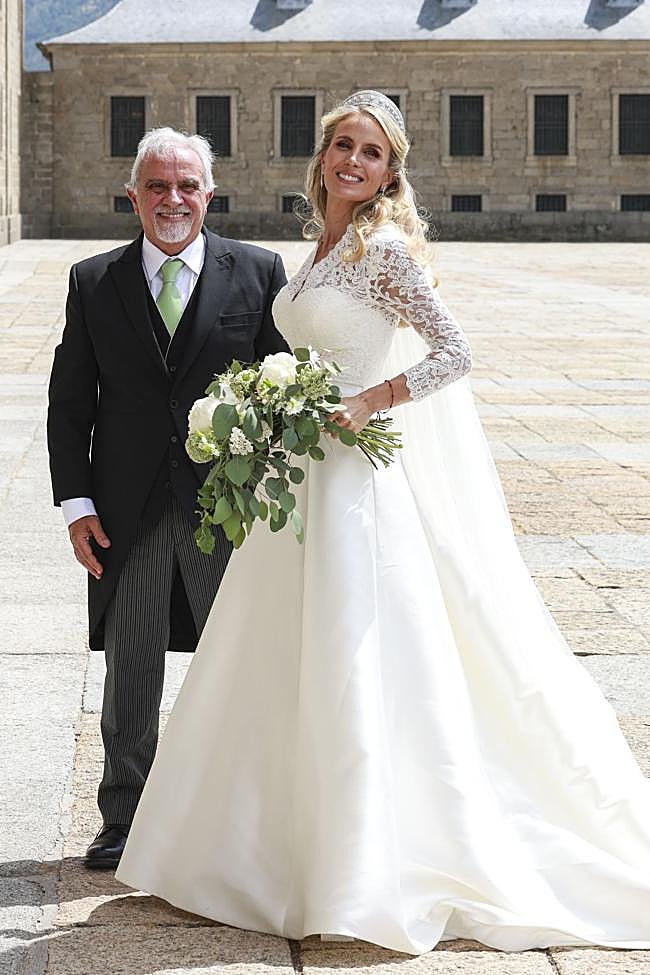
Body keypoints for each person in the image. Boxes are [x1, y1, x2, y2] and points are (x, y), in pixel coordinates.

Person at [115, 94, 650, 954]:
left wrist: (371, 398)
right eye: (343, 146)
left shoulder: (383, 248)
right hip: (297, 479)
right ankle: (253, 849)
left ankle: (355, 867)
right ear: (323, 156)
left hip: (354, 484)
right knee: (274, 656)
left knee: (352, 654)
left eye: (372, 154)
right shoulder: (322, 246)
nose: (354, 163)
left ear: (389, 172)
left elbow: (455, 351)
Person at [47, 127, 288, 870]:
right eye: (157, 186)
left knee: (240, 661)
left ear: (210, 194)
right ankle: (124, 815)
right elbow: (68, 403)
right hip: (128, 510)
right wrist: (76, 506)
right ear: (133, 197)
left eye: (187, 186)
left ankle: (241, 810)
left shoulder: (258, 272)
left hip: (227, 511)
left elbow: (281, 390)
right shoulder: (94, 282)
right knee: (132, 666)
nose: (172, 199)